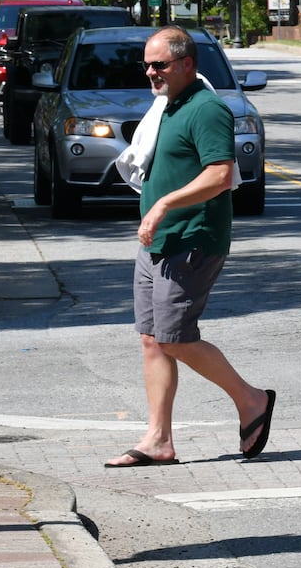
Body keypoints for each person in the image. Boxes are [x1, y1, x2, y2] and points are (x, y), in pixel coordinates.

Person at [104, 27, 274, 468]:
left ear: (186, 65)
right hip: (158, 242)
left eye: (158, 65)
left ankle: (251, 400)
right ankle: (158, 440)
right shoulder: (168, 105)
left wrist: (163, 204)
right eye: (147, 64)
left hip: (193, 238)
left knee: (175, 338)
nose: (150, 73)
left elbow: (220, 174)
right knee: (152, 340)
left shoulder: (206, 109)